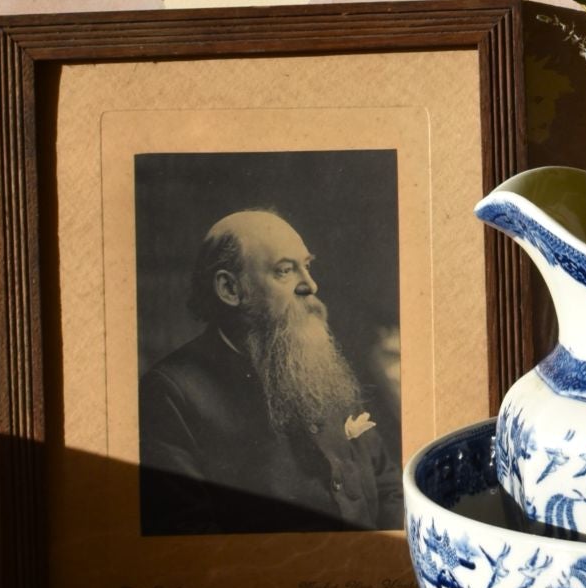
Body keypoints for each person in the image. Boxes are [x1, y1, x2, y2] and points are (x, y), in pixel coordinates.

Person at [139, 208, 403, 536]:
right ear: (230, 289)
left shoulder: (320, 364)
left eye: (306, 266)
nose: (310, 284)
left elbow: (389, 486)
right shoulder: (170, 392)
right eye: (284, 271)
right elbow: (191, 538)